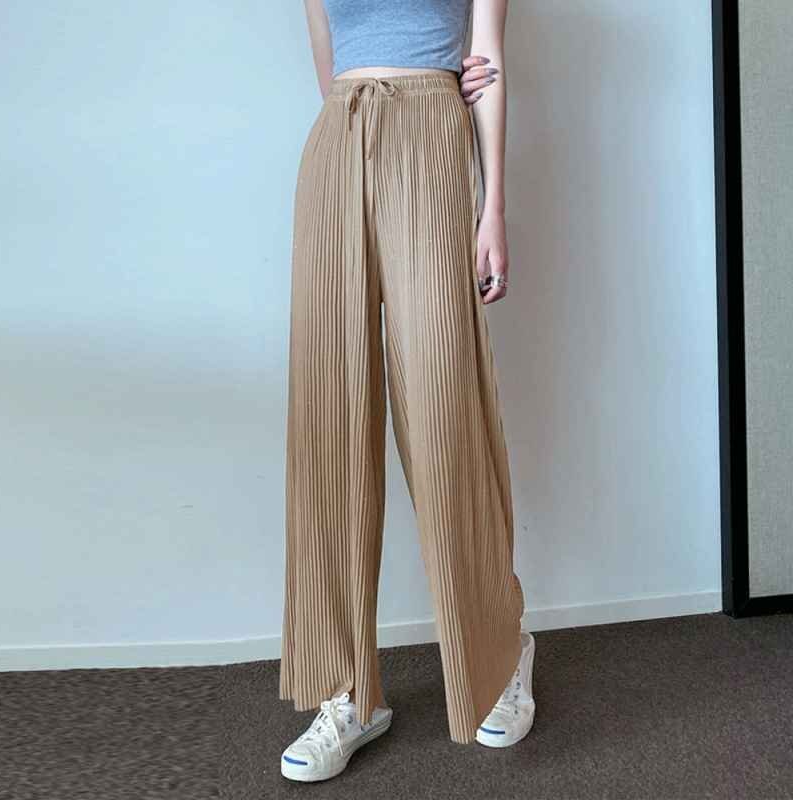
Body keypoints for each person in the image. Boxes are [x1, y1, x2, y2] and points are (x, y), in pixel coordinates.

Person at [279, 0, 536, 782]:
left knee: (445, 405)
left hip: (431, 132)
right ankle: (346, 688)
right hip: (337, 142)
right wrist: (358, 129)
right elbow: (328, 58)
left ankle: (499, 652)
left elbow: (488, 59)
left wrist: (493, 206)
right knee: (328, 413)